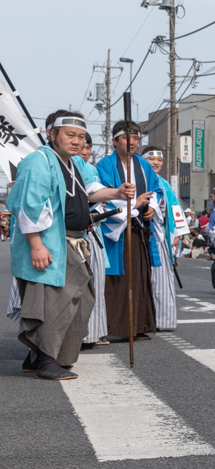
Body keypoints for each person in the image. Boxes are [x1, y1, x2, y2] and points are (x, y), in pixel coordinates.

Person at [8, 112, 133, 377]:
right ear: (51, 133)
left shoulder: (73, 163)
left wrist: (117, 192)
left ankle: (44, 357)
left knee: (80, 299)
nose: (76, 141)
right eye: (70, 135)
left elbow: (89, 191)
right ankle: (45, 361)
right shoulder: (38, 162)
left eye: (80, 137)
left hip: (74, 241)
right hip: (51, 243)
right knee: (54, 302)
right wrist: (36, 245)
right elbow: (29, 206)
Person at [96, 119, 166, 342]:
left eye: (136, 138)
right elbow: (103, 198)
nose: (132, 142)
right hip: (116, 231)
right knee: (116, 279)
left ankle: (139, 326)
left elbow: (156, 190)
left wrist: (152, 207)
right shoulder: (104, 165)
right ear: (115, 140)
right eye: (127, 137)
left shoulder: (143, 165)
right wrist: (134, 206)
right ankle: (111, 327)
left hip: (139, 231)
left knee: (140, 278)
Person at [138, 145, 181, 331]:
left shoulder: (165, 184)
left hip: (160, 236)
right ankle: (141, 320)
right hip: (138, 233)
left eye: (159, 160)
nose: (156, 163)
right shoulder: (138, 180)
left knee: (163, 278)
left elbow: (175, 210)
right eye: (151, 159)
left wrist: (177, 235)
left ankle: (163, 320)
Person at [78, 133, 109, 349]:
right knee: (82, 284)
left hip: (94, 229)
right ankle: (83, 333)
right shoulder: (71, 165)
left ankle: (93, 331)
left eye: (89, 146)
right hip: (78, 230)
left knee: (95, 282)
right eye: (82, 146)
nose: (85, 151)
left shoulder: (93, 170)